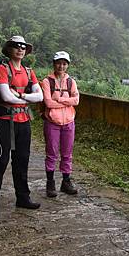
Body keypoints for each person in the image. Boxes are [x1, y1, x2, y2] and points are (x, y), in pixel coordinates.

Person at [0, 35, 44, 218]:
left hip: (23, 120)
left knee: (22, 160)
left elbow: (39, 96)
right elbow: (5, 96)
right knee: (0, 160)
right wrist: (26, 97)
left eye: (23, 47)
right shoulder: (3, 69)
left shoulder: (28, 71)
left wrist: (21, 96)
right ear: (9, 49)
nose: (20, 49)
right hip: (3, 120)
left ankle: (23, 198)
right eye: (16, 46)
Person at [40, 51, 80, 197]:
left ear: (67, 65)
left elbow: (76, 101)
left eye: (64, 63)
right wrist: (66, 101)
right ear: (54, 64)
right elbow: (48, 103)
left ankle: (66, 181)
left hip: (69, 122)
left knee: (67, 154)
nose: (61, 66)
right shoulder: (47, 81)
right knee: (51, 154)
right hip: (52, 122)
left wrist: (60, 99)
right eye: (58, 63)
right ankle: (50, 183)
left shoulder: (71, 82)